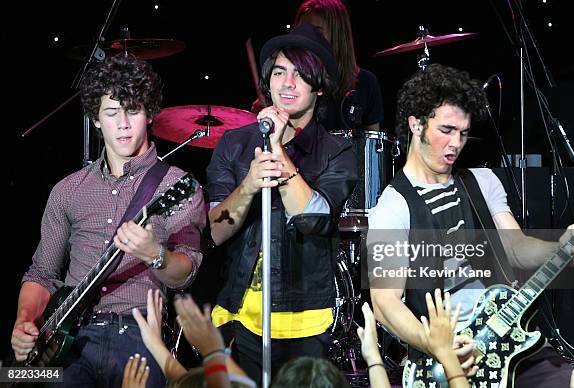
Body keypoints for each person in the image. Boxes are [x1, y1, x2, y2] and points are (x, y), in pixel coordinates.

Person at [367, 63, 574, 386]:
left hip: (511, 341)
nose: (456, 144)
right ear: (415, 125)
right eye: (446, 130)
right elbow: (384, 303)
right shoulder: (393, 208)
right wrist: (437, 345)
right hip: (447, 360)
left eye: (463, 133)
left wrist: (558, 246)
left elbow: (516, 248)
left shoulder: (482, 182)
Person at [10, 53, 207, 387]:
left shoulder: (176, 186)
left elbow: (185, 273)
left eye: (133, 111)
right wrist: (24, 321)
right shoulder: (67, 190)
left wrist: (153, 254)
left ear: (149, 114)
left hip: (138, 333)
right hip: (65, 340)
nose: (124, 124)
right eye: (112, 113)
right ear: (96, 119)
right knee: (10, 378)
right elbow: (42, 274)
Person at [206, 22, 357, 384]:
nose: (287, 84)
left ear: (318, 87)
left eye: (299, 76)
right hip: (240, 317)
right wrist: (249, 184)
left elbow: (314, 219)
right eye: (279, 72)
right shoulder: (234, 144)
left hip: (306, 318)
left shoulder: (337, 151)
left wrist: (277, 150)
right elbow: (216, 230)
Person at [294, 0, 384, 132]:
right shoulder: (291, 80)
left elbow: (373, 145)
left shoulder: (366, 82)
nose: (306, 38)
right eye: (302, 31)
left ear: (337, 35)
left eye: (316, 31)